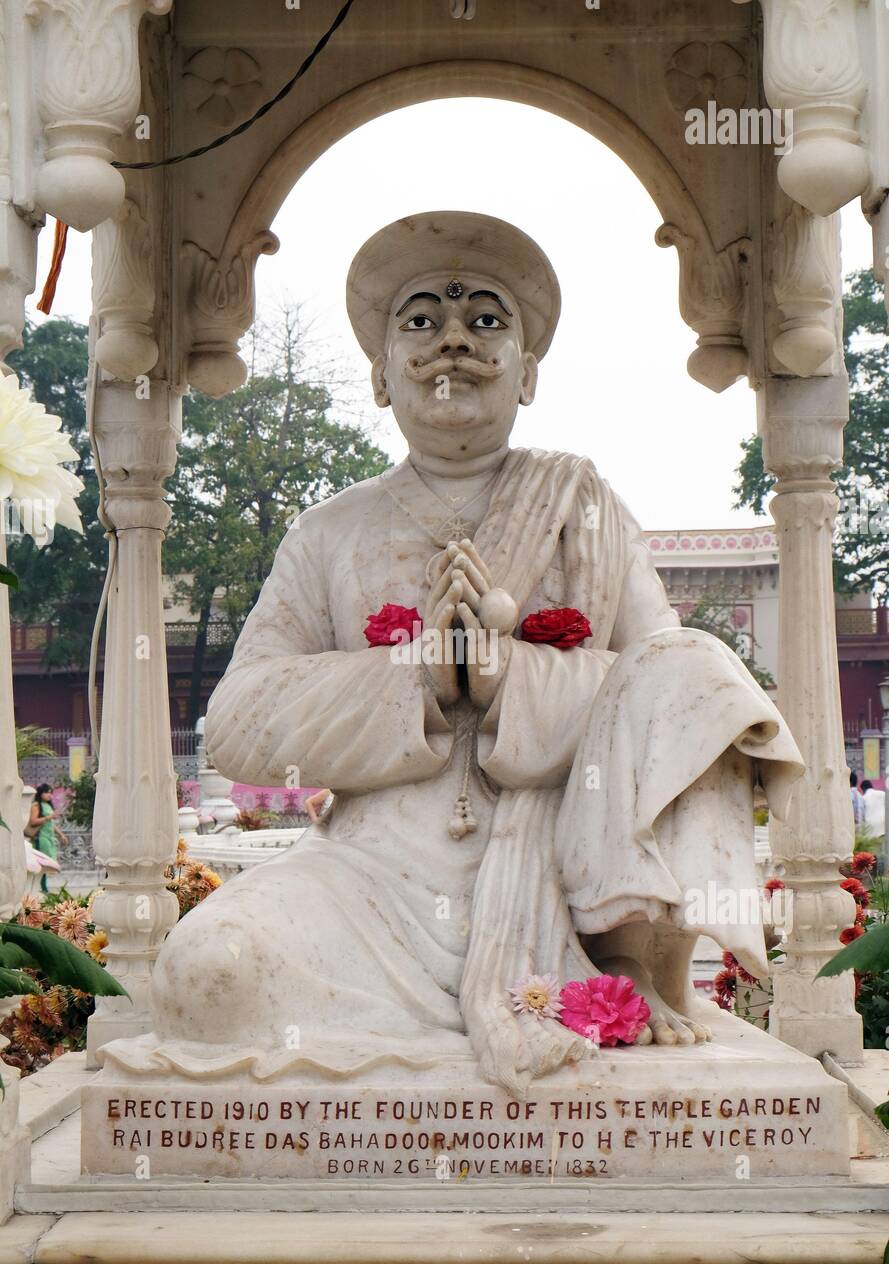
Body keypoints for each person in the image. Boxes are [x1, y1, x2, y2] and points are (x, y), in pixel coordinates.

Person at [113, 211, 803, 1097]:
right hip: (370, 881)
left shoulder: (586, 509)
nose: (453, 342)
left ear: (528, 375)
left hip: (563, 876)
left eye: (486, 320)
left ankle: (623, 965)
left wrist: (514, 674)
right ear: (378, 374)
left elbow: (667, 693)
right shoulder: (329, 535)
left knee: (697, 661)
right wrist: (421, 680)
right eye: (420, 320)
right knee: (202, 975)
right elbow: (240, 724)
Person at [27, 782, 67, 891]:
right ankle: (42, 888)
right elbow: (33, 821)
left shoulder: (48, 805)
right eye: (47, 793)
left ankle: (43, 887)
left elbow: (51, 824)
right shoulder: (36, 805)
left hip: (49, 837)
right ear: (41, 793)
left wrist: (61, 834)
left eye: (51, 793)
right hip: (41, 838)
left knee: (48, 862)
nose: (50, 795)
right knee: (43, 862)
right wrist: (49, 817)